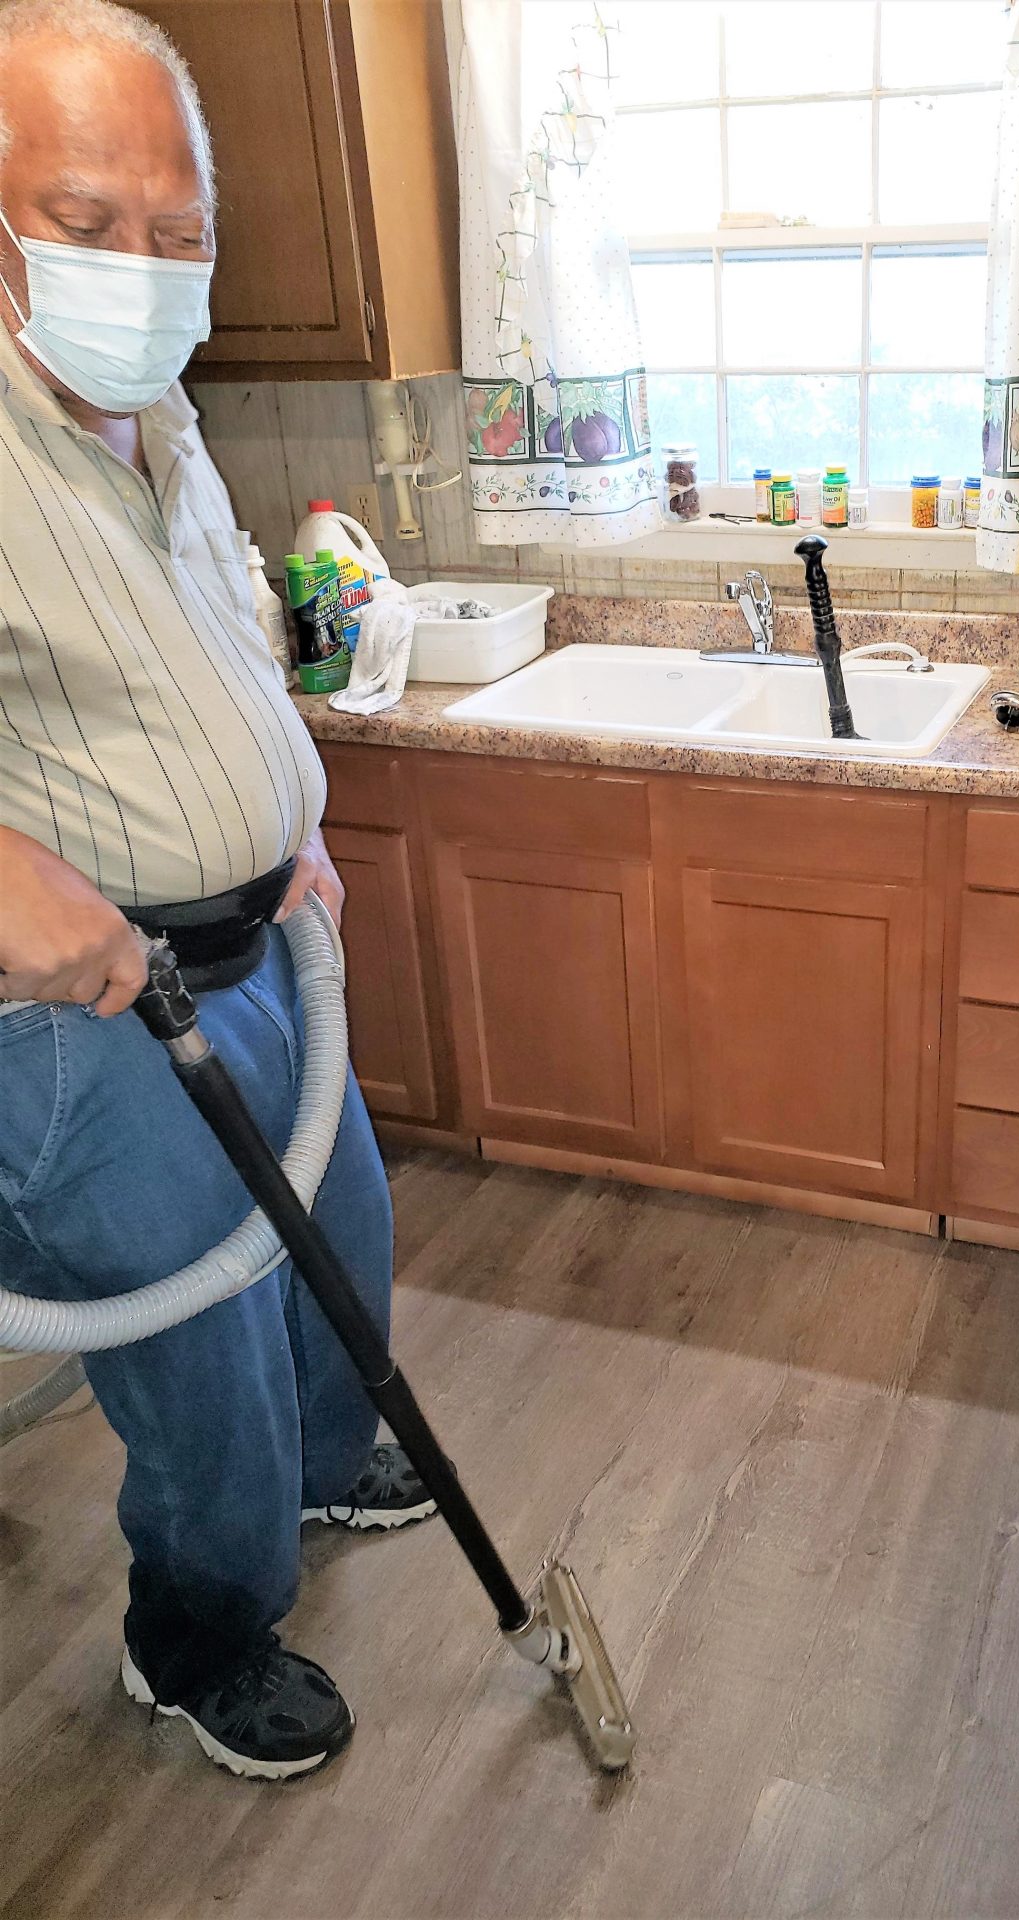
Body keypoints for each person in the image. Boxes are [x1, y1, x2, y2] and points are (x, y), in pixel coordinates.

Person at [0, 0, 433, 1781]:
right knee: (203, 1336)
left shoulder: (156, 410)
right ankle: (196, 1628)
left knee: (341, 1235)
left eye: (179, 231)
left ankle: (329, 1471)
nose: (142, 267)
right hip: (81, 1007)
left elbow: (225, 641)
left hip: (260, 942)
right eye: (85, 221)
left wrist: (288, 819)